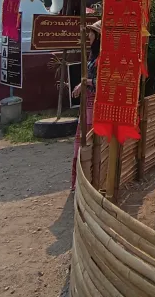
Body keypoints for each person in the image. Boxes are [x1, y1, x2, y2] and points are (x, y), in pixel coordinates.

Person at [71, 19, 101, 191]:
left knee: (91, 143)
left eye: (91, 33)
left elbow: (105, 82)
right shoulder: (93, 56)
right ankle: (79, 183)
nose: (88, 36)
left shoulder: (103, 57)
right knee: (81, 144)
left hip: (96, 106)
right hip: (88, 106)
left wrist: (85, 82)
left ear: (98, 36)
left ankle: (90, 183)